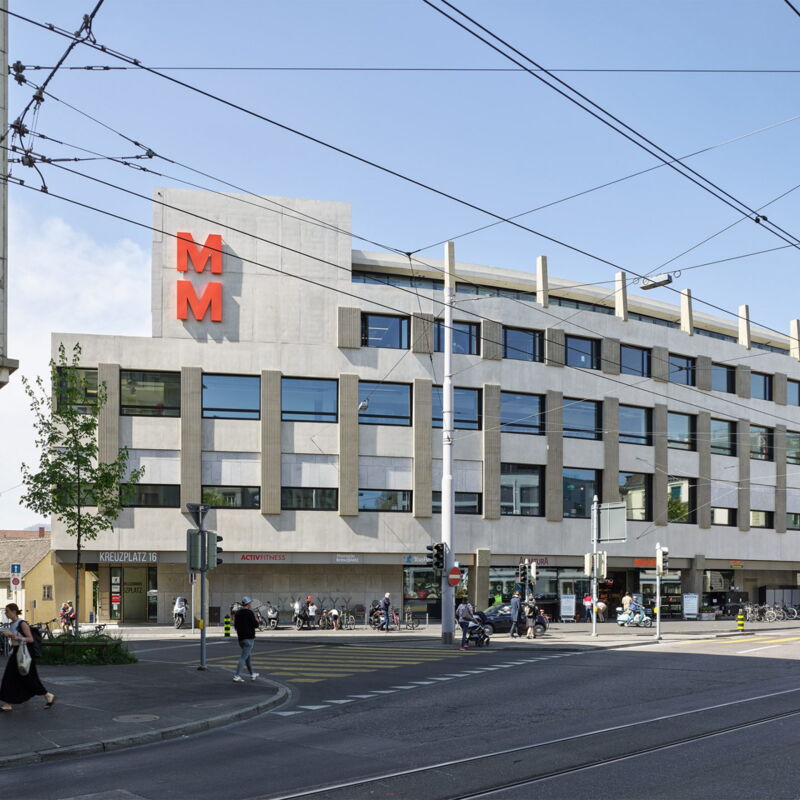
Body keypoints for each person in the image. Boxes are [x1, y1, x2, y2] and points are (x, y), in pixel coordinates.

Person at [1, 603, 56, 711]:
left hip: (24, 653)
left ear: (14, 611)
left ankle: (48, 695)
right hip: (16, 651)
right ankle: (7, 703)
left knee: (29, 678)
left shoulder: (22, 623)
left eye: (7, 611)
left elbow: (30, 639)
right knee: (11, 677)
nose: (6, 613)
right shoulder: (12, 624)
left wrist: (17, 638)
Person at [232, 596, 260, 683]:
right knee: (243, 658)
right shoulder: (250, 613)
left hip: (241, 639)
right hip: (249, 639)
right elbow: (256, 625)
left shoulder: (238, 613)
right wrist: (256, 620)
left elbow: (235, 626)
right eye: (250, 603)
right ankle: (237, 675)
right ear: (248, 604)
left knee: (247, 657)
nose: (251, 605)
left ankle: (252, 674)